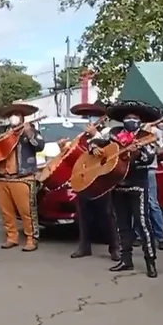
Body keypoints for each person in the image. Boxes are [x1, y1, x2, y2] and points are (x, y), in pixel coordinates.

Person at [90, 100, 162, 277]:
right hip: (116, 184)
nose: (131, 120)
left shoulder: (146, 135)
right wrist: (94, 148)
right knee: (121, 225)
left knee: (143, 224)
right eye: (128, 117)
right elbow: (95, 142)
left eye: (135, 117)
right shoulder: (114, 133)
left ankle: (150, 261)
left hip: (138, 185)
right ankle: (126, 260)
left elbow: (149, 158)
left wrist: (140, 151)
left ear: (140, 120)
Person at [0, 102, 45, 251]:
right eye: (11, 114)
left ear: (23, 116)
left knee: (27, 212)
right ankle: (12, 237)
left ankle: (31, 238)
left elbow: (40, 146)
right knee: (6, 211)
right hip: (3, 176)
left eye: (17, 114)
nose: (14, 117)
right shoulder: (2, 132)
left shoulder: (31, 130)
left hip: (23, 177)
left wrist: (29, 133)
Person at [64, 101, 121, 261]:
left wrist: (96, 135)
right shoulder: (82, 136)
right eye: (88, 115)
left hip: (101, 180)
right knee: (83, 215)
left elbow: (112, 149)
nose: (91, 118)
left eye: (94, 115)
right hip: (84, 179)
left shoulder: (110, 132)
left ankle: (115, 247)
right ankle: (84, 246)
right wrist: (65, 147)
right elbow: (78, 156)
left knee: (107, 215)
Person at [137, 122, 163, 251]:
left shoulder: (155, 131)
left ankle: (160, 237)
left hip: (149, 169)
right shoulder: (132, 130)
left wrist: (150, 137)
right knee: (137, 204)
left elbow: (159, 151)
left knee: (152, 203)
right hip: (135, 169)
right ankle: (139, 235)